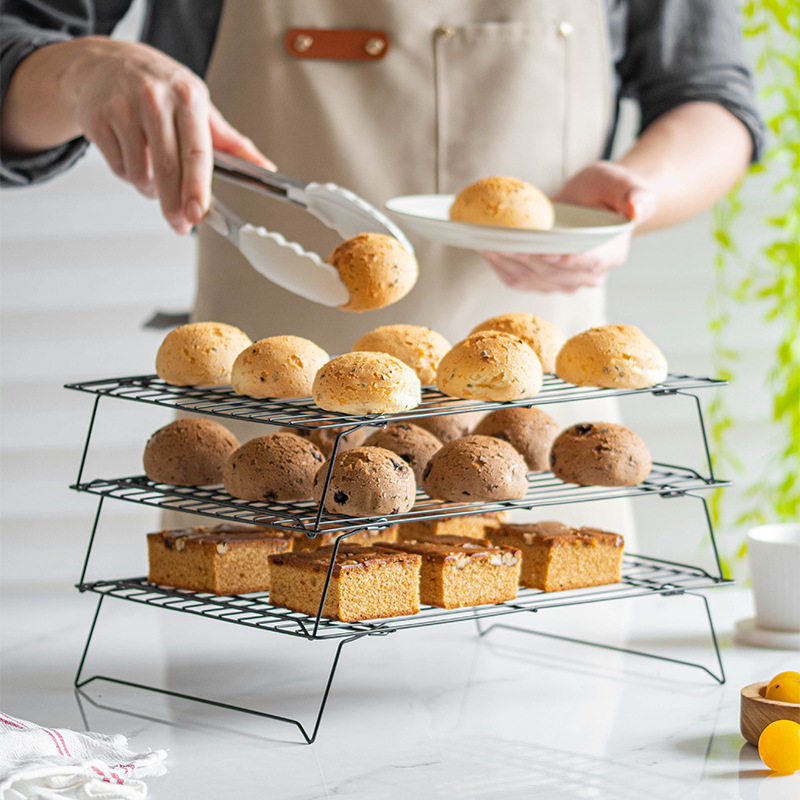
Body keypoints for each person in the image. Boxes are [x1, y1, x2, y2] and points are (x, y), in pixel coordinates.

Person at [0, 1, 762, 535]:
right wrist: (82, 72)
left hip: (544, 479)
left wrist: (637, 196)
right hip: (261, 482)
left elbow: (710, 97)